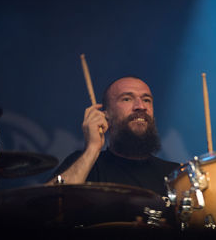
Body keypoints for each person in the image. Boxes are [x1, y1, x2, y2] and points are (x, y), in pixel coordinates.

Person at [47, 76, 180, 198]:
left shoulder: (176, 175)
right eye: (127, 99)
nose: (141, 106)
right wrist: (92, 148)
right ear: (106, 115)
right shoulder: (85, 163)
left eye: (146, 100)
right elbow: (48, 206)